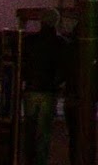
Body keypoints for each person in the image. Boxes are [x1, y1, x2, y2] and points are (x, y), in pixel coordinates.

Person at [19, 12, 67, 165]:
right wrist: (58, 83)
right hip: (48, 90)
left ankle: (29, 159)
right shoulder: (60, 43)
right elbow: (63, 68)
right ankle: (40, 161)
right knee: (44, 130)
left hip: (31, 88)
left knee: (30, 127)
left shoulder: (29, 41)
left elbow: (23, 64)